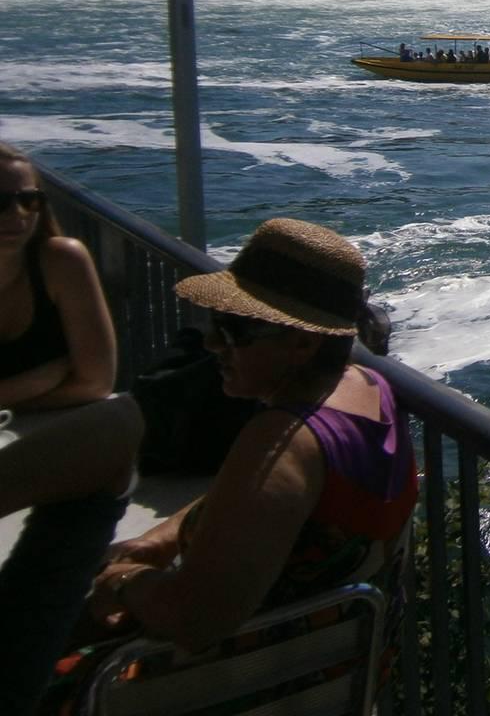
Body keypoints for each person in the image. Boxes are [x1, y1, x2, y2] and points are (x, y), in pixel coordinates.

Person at [49, 217, 417, 699]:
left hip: (238, 689)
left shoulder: (284, 441)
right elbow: (272, 503)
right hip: (337, 678)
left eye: (234, 330)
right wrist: (162, 537)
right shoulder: (370, 390)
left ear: (303, 343)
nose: (211, 344)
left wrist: (123, 581)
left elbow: (195, 621)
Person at [0, 142, 142, 715]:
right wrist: (39, 379)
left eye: (29, 200)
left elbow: (96, 381)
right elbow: (76, 377)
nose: (17, 215)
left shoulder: (61, 260)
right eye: (1, 202)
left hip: (58, 438)